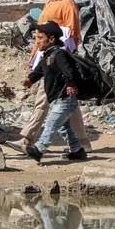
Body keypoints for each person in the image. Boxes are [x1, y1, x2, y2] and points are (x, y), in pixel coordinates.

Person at [9, 0, 91, 153]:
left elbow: (71, 32)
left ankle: (27, 139)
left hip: (56, 60)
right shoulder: (51, 1)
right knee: (69, 103)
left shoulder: (67, 3)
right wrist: (36, 56)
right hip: (46, 56)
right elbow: (42, 34)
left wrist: (59, 59)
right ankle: (82, 143)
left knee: (43, 98)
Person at [22, 22, 86, 163]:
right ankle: (77, 150)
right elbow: (39, 71)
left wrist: (70, 84)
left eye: (40, 38)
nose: (37, 41)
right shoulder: (46, 56)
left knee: (51, 124)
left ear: (51, 39)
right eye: (36, 38)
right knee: (64, 127)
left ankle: (39, 149)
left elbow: (69, 71)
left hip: (65, 98)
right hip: (56, 99)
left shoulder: (59, 54)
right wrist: (30, 80)